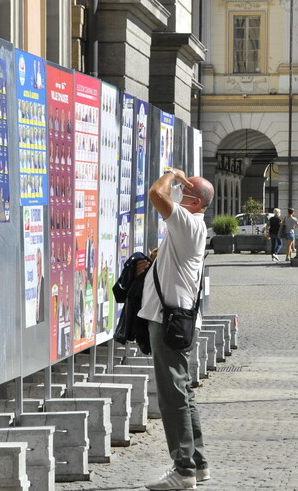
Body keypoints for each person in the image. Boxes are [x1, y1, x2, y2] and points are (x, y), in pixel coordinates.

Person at [136, 168, 214, 490]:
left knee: (172, 395)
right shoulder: (190, 225)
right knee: (182, 391)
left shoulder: (188, 221)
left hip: (170, 321)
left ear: (194, 201)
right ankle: (198, 463)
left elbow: (156, 194)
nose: (177, 191)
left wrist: (172, 174)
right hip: (175, 317)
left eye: (184, 189)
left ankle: (183, 470)